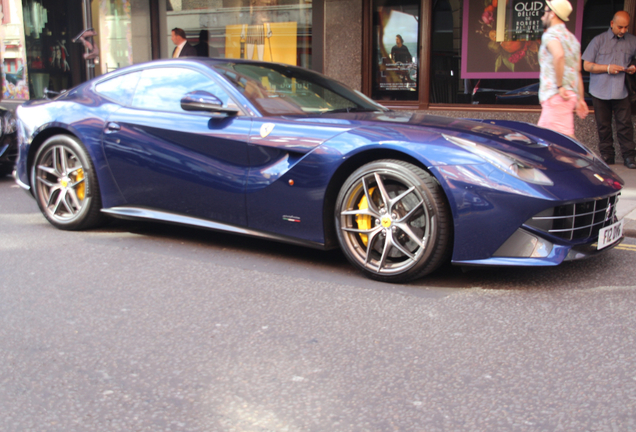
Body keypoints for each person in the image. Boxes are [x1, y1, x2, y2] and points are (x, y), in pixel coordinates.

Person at [582, 11, 636, 169]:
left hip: (622, 89)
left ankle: (629, 156)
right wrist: (607, 68)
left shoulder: (632, 41)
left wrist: (633, 67)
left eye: (626, 27)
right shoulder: (598, 40)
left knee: (625, 124)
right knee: (603, 125)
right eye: (620, 27)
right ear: (612, 24)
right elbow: (586, 65)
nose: (623, 30)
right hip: (600, 89)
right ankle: (607, 155)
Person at [537, 0, 588, 139]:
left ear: (552, 14)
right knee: (559, 141)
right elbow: (577, 71)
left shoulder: (551, 35)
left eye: (545, 12)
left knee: (551, 143)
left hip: (556, 95)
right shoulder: (572, 40)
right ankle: (585, 159)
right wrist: (580, 98)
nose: (542, 17)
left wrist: (559, 86)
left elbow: (559, 55)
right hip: (567, 95)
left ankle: (587, 160)